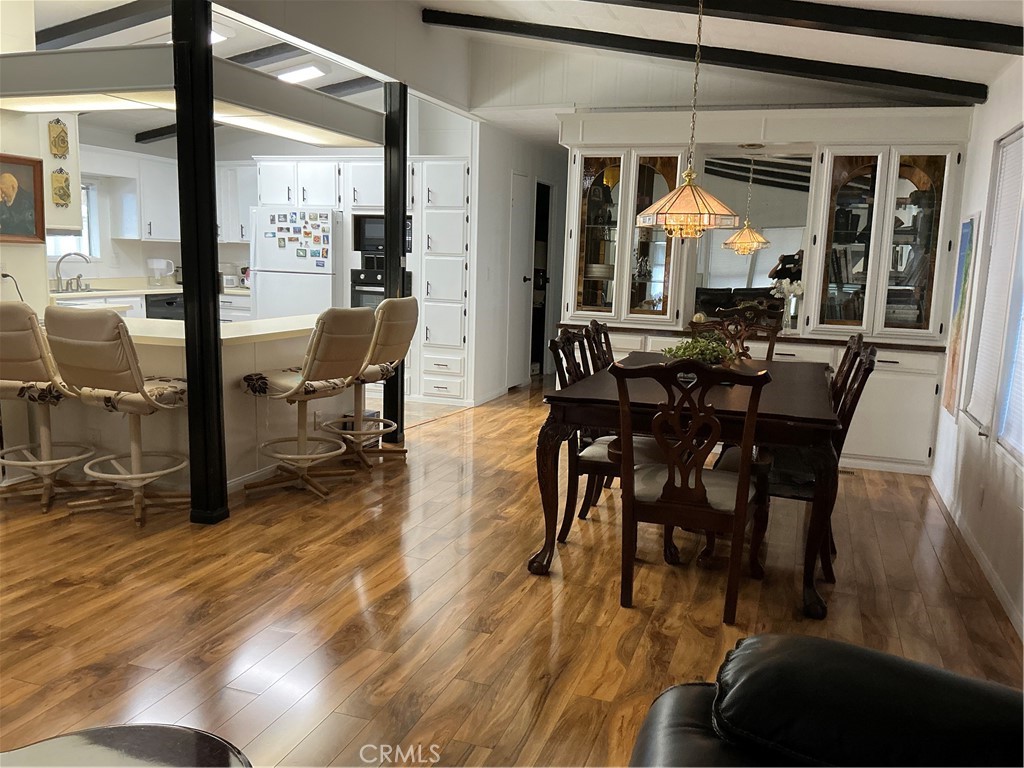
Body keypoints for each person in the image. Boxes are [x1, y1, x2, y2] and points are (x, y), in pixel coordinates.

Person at [0, 172, 37, 237]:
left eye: (3, 191)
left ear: (13, 187)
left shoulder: (27, 201)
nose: (1, 195)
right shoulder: (6, 199)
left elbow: (12, 225)